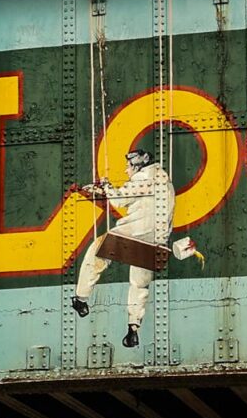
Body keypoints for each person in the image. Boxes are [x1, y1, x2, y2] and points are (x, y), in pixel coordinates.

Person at [70, 148, 180, 349]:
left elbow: (120, 200)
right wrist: (104, 191)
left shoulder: (145, 176)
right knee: (139, 285)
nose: (126, 170)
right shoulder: (164, 180)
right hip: (156, 241)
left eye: (128, 166)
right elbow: (137, 197)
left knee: (96, 254)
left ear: (139, 164)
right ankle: (133, 329)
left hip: (133, 234)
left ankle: (81, 298)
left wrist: (106, 185)